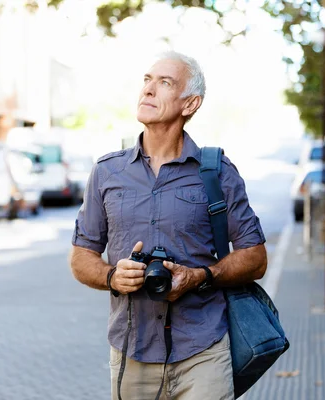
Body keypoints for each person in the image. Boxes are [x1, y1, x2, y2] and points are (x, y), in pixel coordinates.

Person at [69, 51, 267, 400]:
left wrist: (199, 276)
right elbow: (81, 257)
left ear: (190, 103)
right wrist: (113, 277)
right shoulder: (107, 172)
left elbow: (256, 258)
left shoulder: (217, 172)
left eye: (164, 83)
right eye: (146, 80)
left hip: (203, 349)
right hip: (131, 350)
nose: (148, 90)